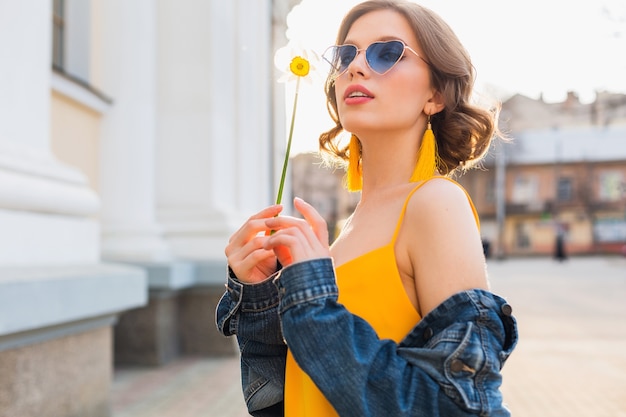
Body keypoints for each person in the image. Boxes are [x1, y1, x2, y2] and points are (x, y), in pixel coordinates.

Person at [217, 1, 518, 416]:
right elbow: (284, 400)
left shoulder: (434, 203)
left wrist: (311, 301)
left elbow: (457, 406)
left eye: (386, 52)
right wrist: (260, 298)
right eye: (346, 54)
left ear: (434, 94)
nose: (356, 67)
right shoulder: (348, 227)